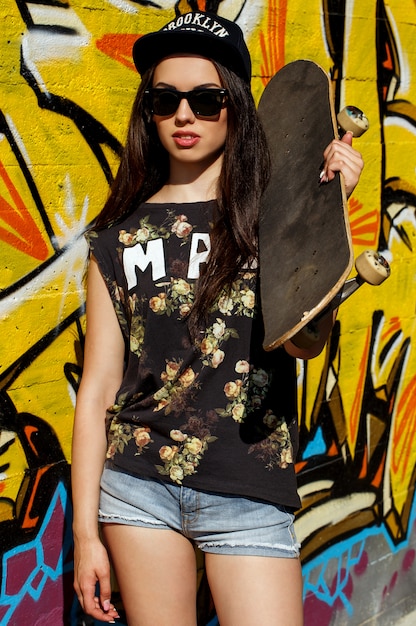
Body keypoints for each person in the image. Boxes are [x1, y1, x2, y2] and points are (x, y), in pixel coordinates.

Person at [71, 11, 364, 626]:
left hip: (249, 487)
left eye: (205, 100)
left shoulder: (273, 221)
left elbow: (304, 343)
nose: (184, 115)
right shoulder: (115, 242)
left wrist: (330, 206)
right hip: (138, 490)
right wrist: (85, 536)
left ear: (232, 105)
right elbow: (97, 390)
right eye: (165, 99)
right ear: (147, 112)